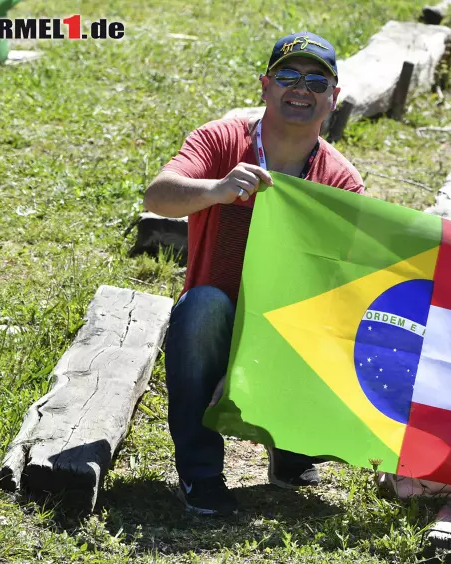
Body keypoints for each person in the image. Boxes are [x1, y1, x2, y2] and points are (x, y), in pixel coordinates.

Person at [143, 32, 365, 516]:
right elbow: (158, 195)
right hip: (218, 320)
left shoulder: (341, 181)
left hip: (288, 328)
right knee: (202, 307)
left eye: (316, 80)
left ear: (334, 97)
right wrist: (217, 189)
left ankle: (292, 449)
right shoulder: (222, 139)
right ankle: (200, 476)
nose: (300, 89)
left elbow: (338, 288)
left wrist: (261, 360)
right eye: (287, 76)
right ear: (265, 85)